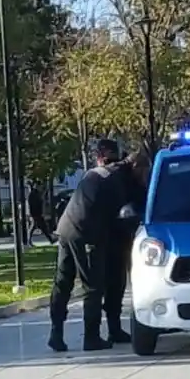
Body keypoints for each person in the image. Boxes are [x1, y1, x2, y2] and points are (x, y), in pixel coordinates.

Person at [49, 138, 127, 352]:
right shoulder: (113, 177)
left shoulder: (93, 174)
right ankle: (91, 338)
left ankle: (56, 333)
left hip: (65, 228)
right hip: (85, 233)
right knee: (92, 285)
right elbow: (119, 211)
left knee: (62, 281)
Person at [104, 146, 150, 345]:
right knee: (111, 284)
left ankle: (115, 329)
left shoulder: (132, 181)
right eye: (144, 170)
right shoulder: (119, 179)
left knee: (118, 284)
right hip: (109, 238)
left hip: (125, 238)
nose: (145, 175)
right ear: (136, 166)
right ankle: (110, 329)